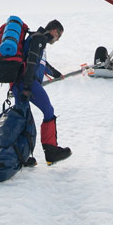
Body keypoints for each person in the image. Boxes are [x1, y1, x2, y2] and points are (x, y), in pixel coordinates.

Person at [12, 19, 71, 165]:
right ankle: (51, 152)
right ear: (53, 31)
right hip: (29, 82)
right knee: (48, 111)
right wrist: (27, 87)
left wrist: (56, 73)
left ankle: (21, 156)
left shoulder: (38, 40)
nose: (58, 39)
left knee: (23, 117)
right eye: (59, 35)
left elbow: (41, 64)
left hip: (19, 83)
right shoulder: (39, 39)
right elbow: (32, 63)